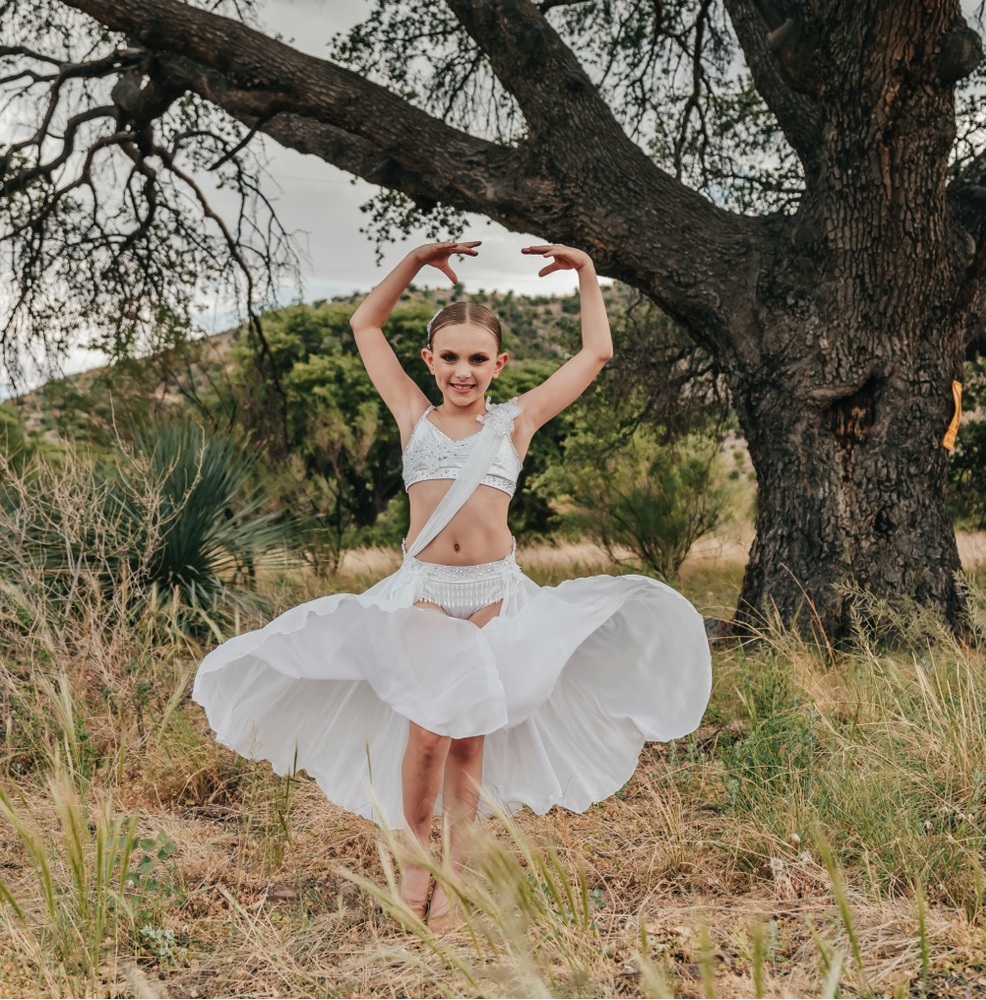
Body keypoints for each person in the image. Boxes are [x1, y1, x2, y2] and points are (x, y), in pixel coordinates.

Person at [193, 241, 712, 931]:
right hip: (426, 595)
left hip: (495, 596)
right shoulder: (414, 415)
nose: (463, 371)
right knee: (430, 737)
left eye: (477, 359)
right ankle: (416, 859)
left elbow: (595, 355)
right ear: (429, 361)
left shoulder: (515, 421)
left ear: (499, 365)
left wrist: (588, 273)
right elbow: (364, 326)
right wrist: (412, 262)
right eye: (450, 357)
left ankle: (458, 876)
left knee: (469, 739)